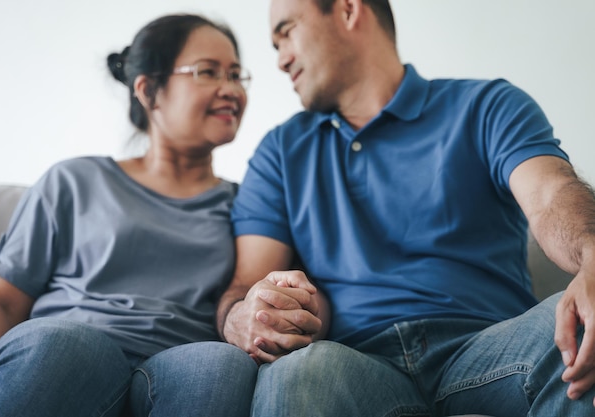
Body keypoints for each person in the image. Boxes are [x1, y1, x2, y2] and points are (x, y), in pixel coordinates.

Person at [215, 0, 595, 416]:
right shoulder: (280, 152)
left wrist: (593, 256)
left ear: (346, 11)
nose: (281, 60)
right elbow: (248, 282)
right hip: (354, 365)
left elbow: (550, 194)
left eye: (286, 32)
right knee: (298, 373)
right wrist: (242, 315)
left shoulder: (487, 105)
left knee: (582, 328)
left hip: (490, 347)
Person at [0, 14, 257, 417]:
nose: (231, 90)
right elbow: (1, 300)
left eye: (236, 74)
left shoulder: (252, 206)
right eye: (208, 72)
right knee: (63, 344)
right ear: (149, 90)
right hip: (69, 350)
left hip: (181, 364)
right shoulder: (74, 180)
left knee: (218, 365)